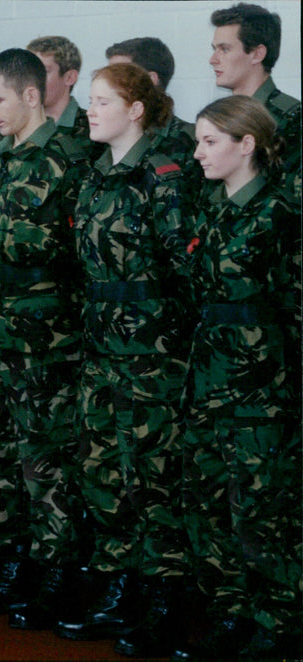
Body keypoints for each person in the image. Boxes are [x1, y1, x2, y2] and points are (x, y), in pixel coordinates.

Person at [54, 64, 192, 657]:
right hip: (101, 343)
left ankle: (167, 595)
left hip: (152, 350)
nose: (90, 110)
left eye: (102, 101)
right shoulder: (94, 175)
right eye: (89, 101)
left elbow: (185, 270)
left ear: (136, 110)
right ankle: (119, 582)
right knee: (102, 465)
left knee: (154, 473)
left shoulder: (160, 176)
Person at [0, 47, 88, 625]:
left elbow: (83, 258)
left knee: (46, 461)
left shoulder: (70, 159)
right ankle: (8, 562)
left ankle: (55, 571)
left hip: (47, 335)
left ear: (32, 96)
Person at [178, 95, 301, 661]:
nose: (197, 152)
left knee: (262, 509)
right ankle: (230, 610)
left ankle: (280, 620)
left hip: (263, 389)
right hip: (208, 380)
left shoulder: (284, 211)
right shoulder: (210, 204)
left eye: (209, 142)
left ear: (245, 144)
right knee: (206, 501)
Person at [209, 2, 301, 200]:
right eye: (214, 49)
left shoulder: (292, 119)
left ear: (257, 54)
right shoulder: (217, 119)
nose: (213, 59)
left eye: (224, 49)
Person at [105, 37, 202, 202]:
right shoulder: (106, 136)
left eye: (118, 76)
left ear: (150, 80)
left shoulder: (191, 141)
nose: (107, 85)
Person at [26, 36, 98, 158]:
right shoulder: (20, 126)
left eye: (42, 72)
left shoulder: (94, 129)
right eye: (27, 72)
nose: (31, 80)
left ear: (69, 78)